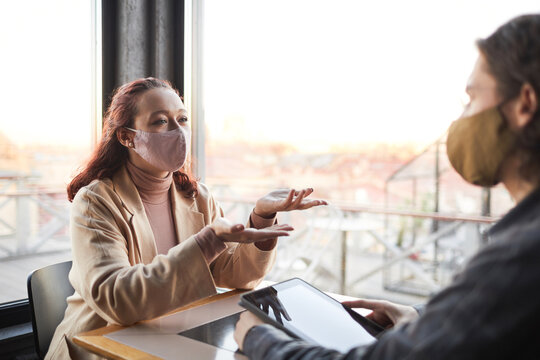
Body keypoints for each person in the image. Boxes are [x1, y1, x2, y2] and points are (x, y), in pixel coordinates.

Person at [234, 14, 540, 360]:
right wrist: (424, 322)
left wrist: (261, 339)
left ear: (525, 103)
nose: (462, 117)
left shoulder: (522, 253)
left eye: (472, 98)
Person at [46, 77, 327, 359]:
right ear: (126, 137)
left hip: (171, 336)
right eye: (160, 122)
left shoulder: (197, 196)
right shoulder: (95, 201)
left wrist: (262, 217)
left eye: (182, 119)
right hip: (102, 345)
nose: (178, 131)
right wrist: (207, 242)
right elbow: (118, 300)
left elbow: (236, 276)